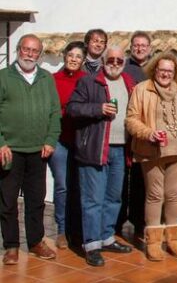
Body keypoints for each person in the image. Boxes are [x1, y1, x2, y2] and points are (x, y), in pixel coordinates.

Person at [67, 46, 135, 266]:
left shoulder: (128, 82)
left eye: (119, 59)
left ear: (124, 61)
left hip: (120, 148)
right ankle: (92, 245)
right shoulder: (89, 81)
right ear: (104, 60)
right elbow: (73, 109)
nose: (114, 63)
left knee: (113, 198)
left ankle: (106, 237)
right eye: (111, 59)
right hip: (95, 148)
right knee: (93, 200)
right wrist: (98, 108)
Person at [0, 34, 61, 265]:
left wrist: (50, 140)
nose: (30, 54)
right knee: (7, 201)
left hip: (39, 150)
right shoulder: (4, 77)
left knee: (36, 200)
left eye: (34, 51)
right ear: (18, 50)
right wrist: (1, 143)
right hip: (10, 150)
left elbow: (55, 112)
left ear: (40, 54)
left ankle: (35, 241)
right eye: (26, 49)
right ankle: (12, 246)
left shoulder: (46, 78)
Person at [125, 52, 177, 261]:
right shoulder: (142, 89)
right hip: (152, 151)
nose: (165, 74)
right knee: (155, 195)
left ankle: (173, 239)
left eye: (169, 71)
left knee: (173, 195)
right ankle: (153, 241)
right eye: (162, 70)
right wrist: (149, 133)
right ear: (154, 69)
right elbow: (131, 119)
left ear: (175, 72)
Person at [50, 40, 86, 249]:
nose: (74, 59)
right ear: (65, 56)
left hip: (81, 140)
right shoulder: (52, 79)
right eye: (71, 55)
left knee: (80, 186)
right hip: (59, 139)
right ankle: (62, 230)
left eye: (78, 57)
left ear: (83, 60)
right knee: (62, 185)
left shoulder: (88, 80)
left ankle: (77, 229)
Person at [118, 31, 151, 238]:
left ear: (149, 48)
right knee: (120, 181)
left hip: (144, 133)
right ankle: (118, 221)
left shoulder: (153, 69)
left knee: (140, 181)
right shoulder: (123, 68)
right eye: (136, 45)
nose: (139, 48)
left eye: (143, 45)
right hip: (122, 132)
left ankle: (139, 223)